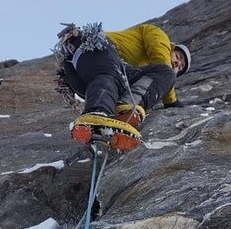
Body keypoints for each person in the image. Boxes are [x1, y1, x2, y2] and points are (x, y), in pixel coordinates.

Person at [54, 22, 191, 150]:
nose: (177, 64)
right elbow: (161, 58)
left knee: (158, 75)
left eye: (180, 67)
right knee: (163, 72)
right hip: (96, 47)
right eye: (178, 57)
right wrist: (171, 102)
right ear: (172, 47)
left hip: (84, 77)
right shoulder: (159, 35)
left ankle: (116, 116)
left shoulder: (142, 69)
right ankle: (95, 114)